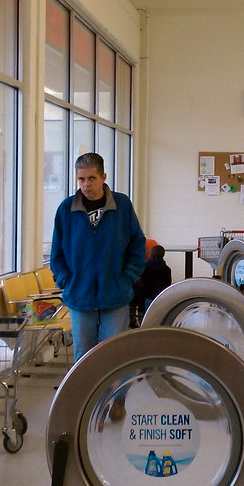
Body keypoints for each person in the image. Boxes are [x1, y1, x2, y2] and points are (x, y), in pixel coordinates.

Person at [50, 152, 146, 364]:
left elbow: (137, 245)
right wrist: (67, 281)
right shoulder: (67, 209)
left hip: (115, 294)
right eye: (81, 179)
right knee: (84, 357)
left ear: (103, 177)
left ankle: (114, 398)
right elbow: (56, 254)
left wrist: (126, 278)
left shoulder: (122, 205)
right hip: (80, 296)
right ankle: (86, 398)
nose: (86, 185)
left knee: (114, 354)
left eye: (91, 178)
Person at [139, 244, 172, 312]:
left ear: (151, 254)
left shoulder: (144, 268)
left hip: (147, 298)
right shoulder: (167, 269)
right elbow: (168, 285)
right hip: (161, 298)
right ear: (163, 255)